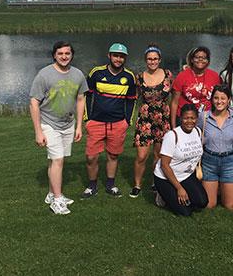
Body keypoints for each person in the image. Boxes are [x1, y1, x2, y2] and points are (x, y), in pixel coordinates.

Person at [30, 41, 88, 215]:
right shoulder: (44, 75)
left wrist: (79, 126)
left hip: (68, 124)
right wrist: (38, 131)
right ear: (54, 55)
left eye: (67, 53)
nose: (64, 57)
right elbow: (34, 103)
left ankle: (51, 193)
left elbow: (80, 99)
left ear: (72, 55)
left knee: (55, 160)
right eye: (60, 53)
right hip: (49, 123)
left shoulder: (77, 74)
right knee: (58, 160)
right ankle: (57, 199)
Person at [82, 43, 137, 199]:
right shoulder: (96, 73)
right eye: (115, 55)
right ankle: (92, 186)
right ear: (109, 56)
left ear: (125, 58)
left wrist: (127, 120)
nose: (118, 59)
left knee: (113, 155)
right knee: (91, 156)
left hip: (118, 123)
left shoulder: (129, 77)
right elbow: (88, 95)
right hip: (96, 122)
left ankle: (110, 185)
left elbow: (131, 100)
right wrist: (87, 118)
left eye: (121, 56)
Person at [130, 44, 173, 198]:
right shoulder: (139, 77)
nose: (152, 61)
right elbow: (133, 98)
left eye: (155, 59)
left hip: (163, 119)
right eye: (149, 59)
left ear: (160, 60)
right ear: (145, 60)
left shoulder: (168, 74)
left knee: (159, 155)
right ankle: (137, 185)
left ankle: (156, 182)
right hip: (145, 120)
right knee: (141, 155)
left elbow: (175, 96)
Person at [153, 104, 208, 216]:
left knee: (202, 202)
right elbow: (164, 165)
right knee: (185, 212)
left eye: (192, 118)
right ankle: (162, 194)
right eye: (186, 118)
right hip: (165, 177)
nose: (189, 121)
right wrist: (179, 188)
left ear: (197, 118)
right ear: (180, 118)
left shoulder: (198, 132)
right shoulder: (172, 135)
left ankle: (177, 195)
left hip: (185, 176)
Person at [197, 85, 233, 210]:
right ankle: (219, 189)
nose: (219, 101)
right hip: (209, 160)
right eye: (216, 98)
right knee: (209, 205)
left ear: (229, 100)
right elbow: (197, 135)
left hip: (229, 161)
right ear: (212, 99)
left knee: (229, 205)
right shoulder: (204, 117)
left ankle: (227, 192)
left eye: (223, 98)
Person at [170, 46, 220, 128]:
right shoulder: (182, 76)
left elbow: (218, 98)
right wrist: (173, 126)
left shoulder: (214, 76)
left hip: (207, 118)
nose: (200, 60)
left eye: (204, 58)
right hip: (186, 119)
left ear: (208, 61)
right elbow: (174, 102)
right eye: (197, 57)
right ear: (192, 60)